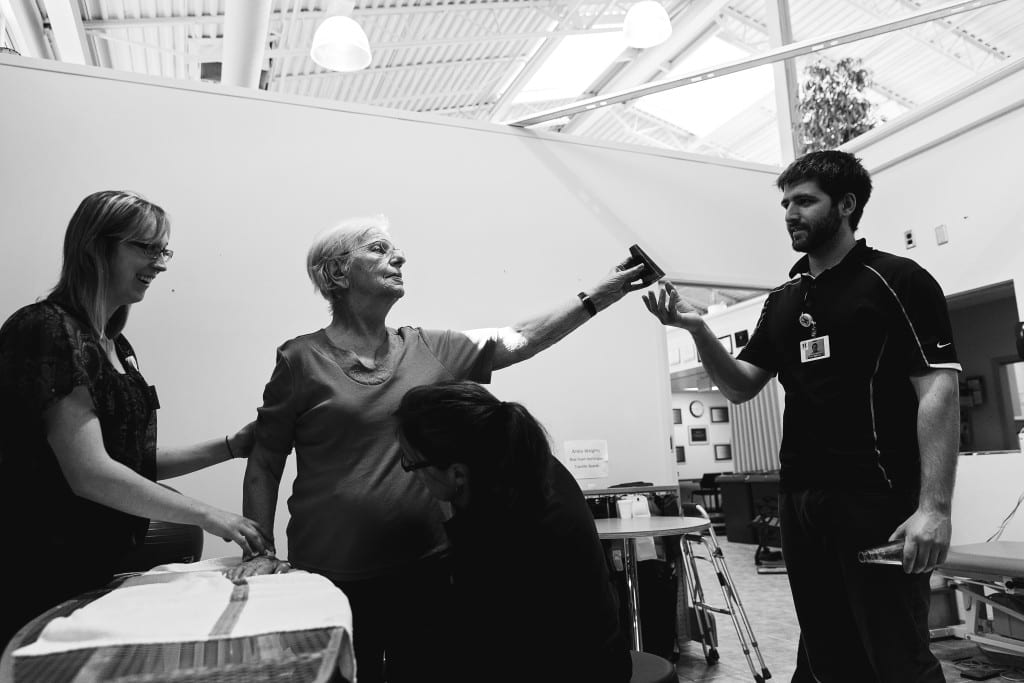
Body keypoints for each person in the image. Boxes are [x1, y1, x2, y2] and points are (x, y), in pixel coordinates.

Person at [227, 214, 646, 682]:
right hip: (331, 572)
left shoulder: (430, 347)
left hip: (426, 568)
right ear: (338, 274)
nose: (398, 257)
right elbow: (265, 460)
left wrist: (602, 294)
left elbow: (521, 337)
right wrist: (258, 549)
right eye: (379, 249)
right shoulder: (299, 359)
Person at [643, 150, 960, 682]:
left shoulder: (897, 279)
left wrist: (935, 508)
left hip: (875, 497)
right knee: (824, 649)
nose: (790, 212)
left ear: (846, 204)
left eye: (805, 201)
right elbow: (742, 385)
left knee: (895, 653)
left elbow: (938, 389)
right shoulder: (786, 298)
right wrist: (697, 329)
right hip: (801, 499)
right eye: (786, 202)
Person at [0, 190, 271, 648]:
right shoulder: (48, 330)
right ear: (94, 247)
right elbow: (91, 473)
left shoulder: (115, 346)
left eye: (163, 250)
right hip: (38, 569)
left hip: (92, 567)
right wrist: (213, 516)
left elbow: (129, 460)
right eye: (145, 247)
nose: (161, 263)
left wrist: (230, 445)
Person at [394, 380, 631, 683]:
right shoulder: (530, 466)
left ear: (457, 473)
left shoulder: (504, 533)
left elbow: (487, 642)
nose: (412, 477)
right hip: (599, 655)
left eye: (411, 464)